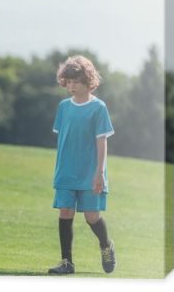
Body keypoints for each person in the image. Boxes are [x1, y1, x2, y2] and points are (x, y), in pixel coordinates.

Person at [48, 55, 116, 275]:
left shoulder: (98, 108)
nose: (71, 86)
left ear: (88, 81)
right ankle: (67, 262)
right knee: (65, 212)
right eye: (68, 82)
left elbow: (101, 141)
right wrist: (60, 171)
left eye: (76, 81)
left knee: (91, 216)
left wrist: (99, 173)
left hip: (90, 173)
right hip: (66, 173)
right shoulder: (63, 107)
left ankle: (106, 245)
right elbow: (64, 140)